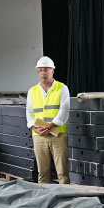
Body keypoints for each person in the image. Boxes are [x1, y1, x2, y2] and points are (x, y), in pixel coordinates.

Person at [26, 56, 70, 184]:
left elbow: (64, 111)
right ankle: (44, 200)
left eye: (45, 70)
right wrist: (36, 128)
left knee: (62, 172)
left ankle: (66, 199)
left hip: (58, 135)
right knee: (42, 173)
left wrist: (49, 127)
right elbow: (29, 113)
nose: (43, 73)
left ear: (52, 71)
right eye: (40, 70)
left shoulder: (62, 88)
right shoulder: (32, 91)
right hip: (39, 136)